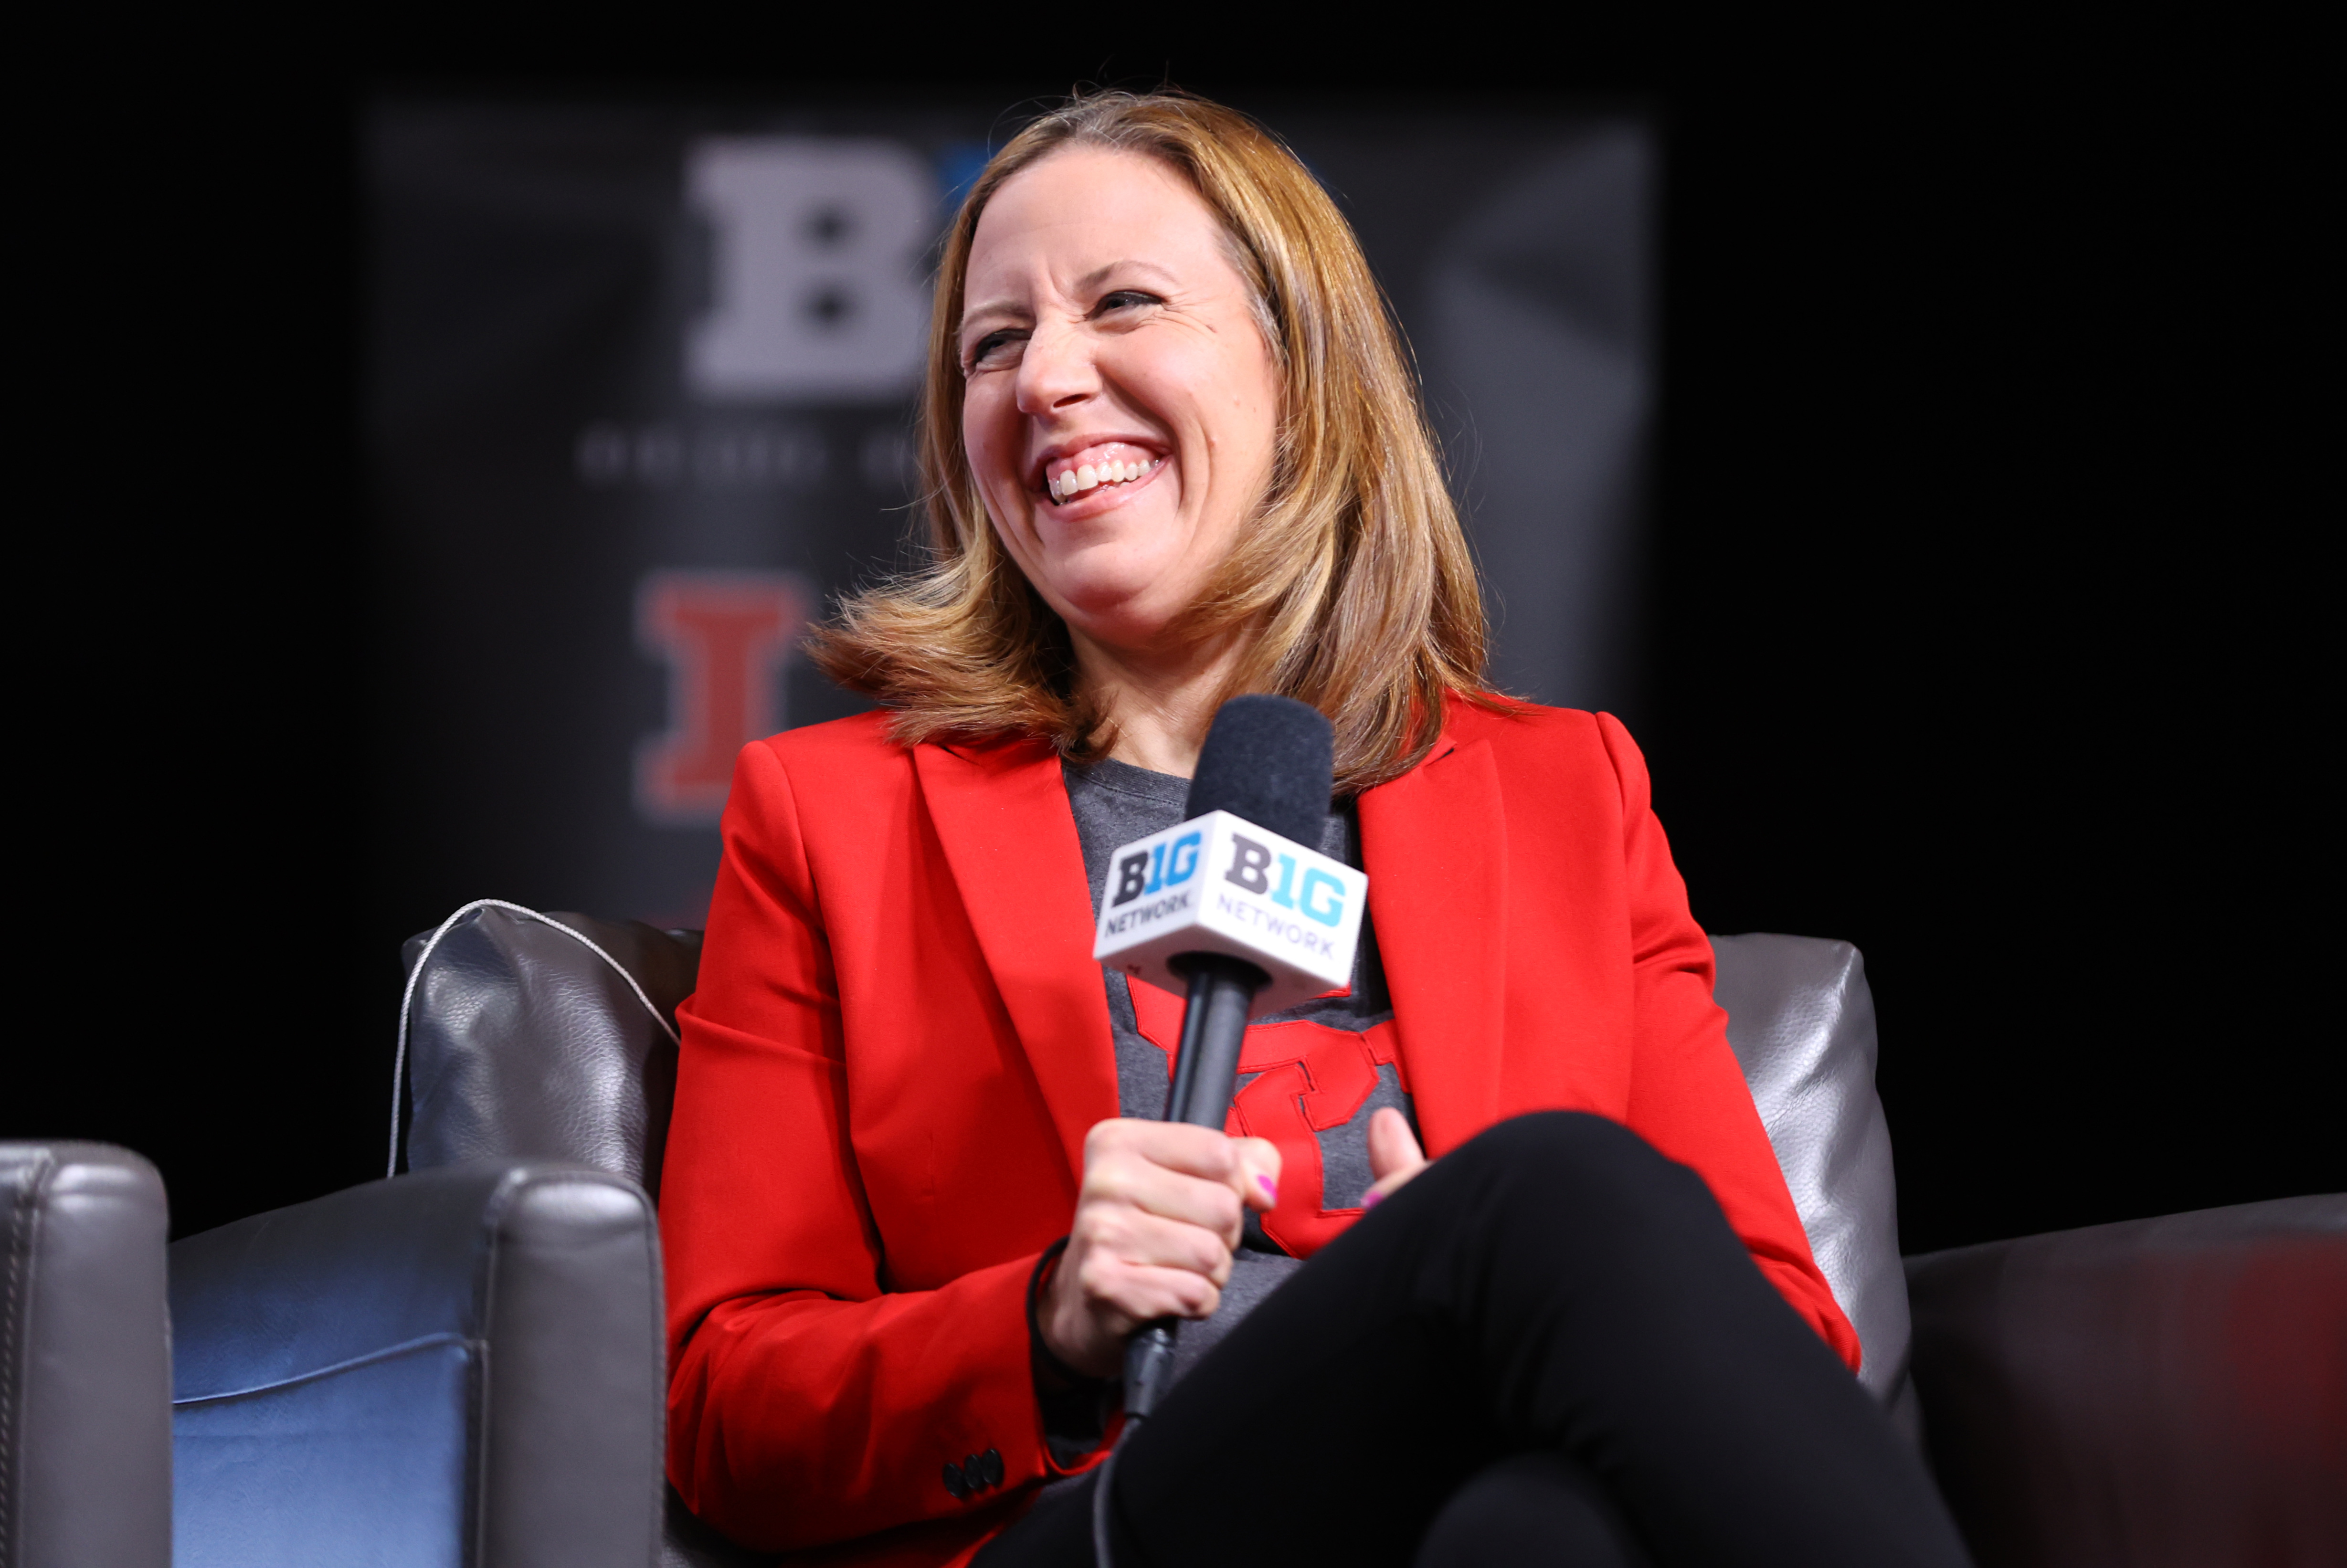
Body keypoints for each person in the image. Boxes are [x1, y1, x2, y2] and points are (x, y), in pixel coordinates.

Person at [658, 90, 1970, 1568]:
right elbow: (723, 1403)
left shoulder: (1564, 792)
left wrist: (1471, 1295)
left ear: (1299, 372)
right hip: (1095, 1526)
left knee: (1536, 1532)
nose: (1045, 380)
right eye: (993, 344)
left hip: (1450, 1508)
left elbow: (1778, 1335)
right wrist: (1046, 1317)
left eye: (1122, 304)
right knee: (1543, 1193)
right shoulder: (833, 816)